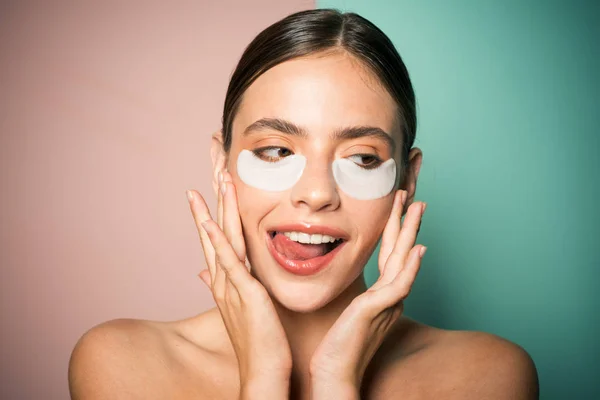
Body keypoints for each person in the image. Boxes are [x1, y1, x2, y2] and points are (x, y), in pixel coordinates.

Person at [68, 9, 539, 399]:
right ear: (221, 164)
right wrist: (263, 380)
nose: (315, 194)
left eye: (361, 157)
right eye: (276, 150)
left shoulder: (487, 377)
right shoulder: (124, 367)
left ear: (408, 181)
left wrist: (338, 383)